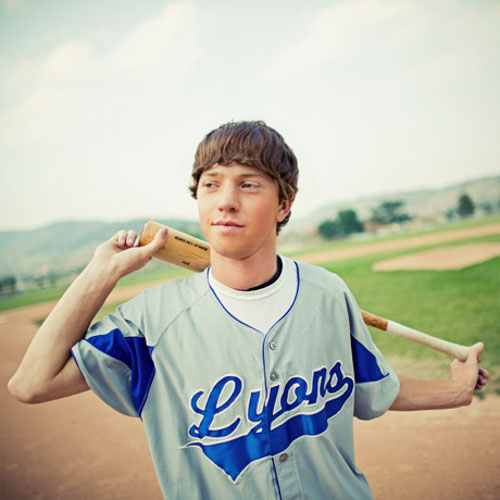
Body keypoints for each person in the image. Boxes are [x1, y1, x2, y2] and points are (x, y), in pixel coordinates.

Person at [8, 121, 489, 499]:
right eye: (211, 184)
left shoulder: (327, 293)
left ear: (285, 203)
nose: (226, 202)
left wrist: (457, 390)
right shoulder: (151, 322)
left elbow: (371, 389)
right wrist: (100, 274)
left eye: (249, 185)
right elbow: (31, 384)